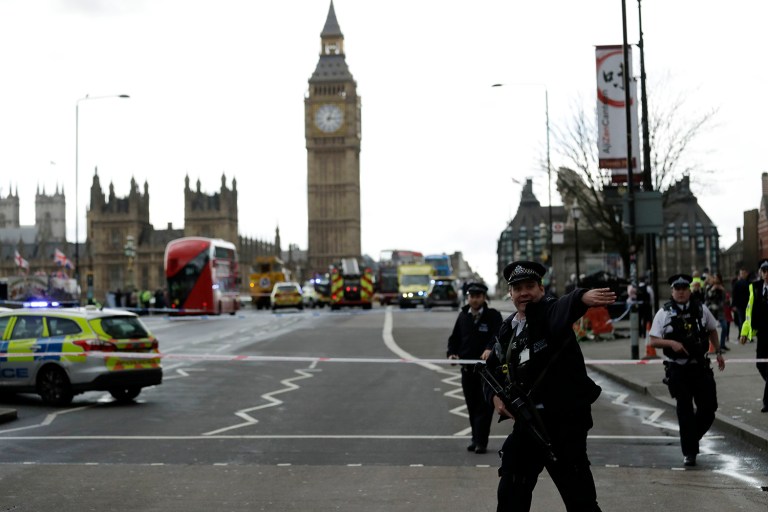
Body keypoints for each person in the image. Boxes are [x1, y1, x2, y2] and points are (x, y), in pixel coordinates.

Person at [483, 260, 615, 512]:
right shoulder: (507, 328)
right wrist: (494, 398)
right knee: (511, 488)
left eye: (530, 286)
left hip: (564, 426)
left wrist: (581, 297)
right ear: (509, 293)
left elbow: (563, 307)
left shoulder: (548, 314)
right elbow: (490, 370)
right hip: (528, 423)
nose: (524, 293)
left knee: (580, 500)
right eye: (518, 288)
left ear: (541, 289)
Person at [649, 273, 726, 467]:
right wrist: (672, 343)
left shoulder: (701, 309)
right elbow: (654, 340)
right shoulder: (664, 313)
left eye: (684, 288)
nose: (681, 292)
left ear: (689, 290)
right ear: (672, 291)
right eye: (677, 289)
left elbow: (712, 330)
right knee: (684, 412)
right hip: (678, 369)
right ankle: (689, 453)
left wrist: (718, 351)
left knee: (709, 410)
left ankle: (691, 439)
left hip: (700, 367)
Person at [447, 282, 503, 454]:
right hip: (467, 370)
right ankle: (475, 438)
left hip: (487, 372)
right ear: (468, 297)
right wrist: (452, 353)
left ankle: (481, 442)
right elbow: (455, 338)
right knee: (471, 405)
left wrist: (489, 348)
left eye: (478, 296)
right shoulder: (463, 315)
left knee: (485, 407)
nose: (475, 300)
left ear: (484, 297)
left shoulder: (493, 316)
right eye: (472, 296)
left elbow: (499, 335)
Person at [739, 259, 768, 413]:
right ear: (760, 273)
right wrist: (744, 332)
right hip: (762, 333)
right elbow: (749, 312)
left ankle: (767, 401)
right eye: (764, 270)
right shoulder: (755, 288)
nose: (766, 273)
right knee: (760, 364)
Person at [705, 272, 729, 351]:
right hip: (711, 310)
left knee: (724, 327)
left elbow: (725, 300)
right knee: (710, 329)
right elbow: (707, 298)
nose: (715, 280)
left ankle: (722, 345)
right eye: (714, 278)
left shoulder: (722, 287)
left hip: (720, 311)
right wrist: (712, 290)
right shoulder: (709, 287)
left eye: (717, 278)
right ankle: (711, 346)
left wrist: (723, 290)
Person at [732, 267, 750, 335]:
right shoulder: (738, 283)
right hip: (740, 305)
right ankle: (742, 334)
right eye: (741, 273)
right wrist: (734, 305)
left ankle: (745, 334)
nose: (743, 274)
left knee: (745, 320)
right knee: (742, 320)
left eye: (744, 273)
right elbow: (734, 294)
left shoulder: (748, 282)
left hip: (746, 304)